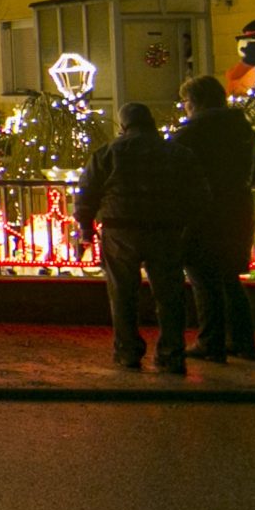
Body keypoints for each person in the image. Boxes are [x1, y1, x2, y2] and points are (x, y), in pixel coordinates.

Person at [75, 102, 203, 372]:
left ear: (124, 125)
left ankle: (127, 351)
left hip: (120, 229)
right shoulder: (177, 153)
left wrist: (86, 227)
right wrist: (185, 223)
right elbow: (198, 193)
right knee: (169, 295)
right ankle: (171, 353)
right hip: (165, 229)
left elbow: (87, 192)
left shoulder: (108, 153)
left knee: (122, 293)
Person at [174, 74, 255, 361]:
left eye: (185, 101)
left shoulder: (191, 133)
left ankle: (210, 341)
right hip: (237, 208)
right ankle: (242, 341)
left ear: (195, 102)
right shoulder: (243, 130)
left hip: (203, 213)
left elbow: (173, 171)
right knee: (228, 278)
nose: (185, 107)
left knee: (203, 277)